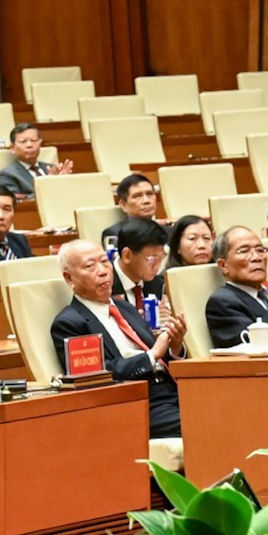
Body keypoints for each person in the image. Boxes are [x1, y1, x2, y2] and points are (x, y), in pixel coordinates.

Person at [50, 241, 184, 441]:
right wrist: (151, 355)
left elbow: (161, 356)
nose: (102, 271)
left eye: (105, 262)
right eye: (90, 266)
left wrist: (175, 347)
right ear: (69, 278)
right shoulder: (69, 323)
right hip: (138, 404)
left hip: (175, 391)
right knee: (209, 419)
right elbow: (95, 377)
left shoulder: (125, 308)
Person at [0, 122, 69, 197]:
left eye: (33, 140)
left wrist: (65, 181)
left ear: (40, 144)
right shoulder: (7, 175)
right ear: (12, 147)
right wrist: (49, 186)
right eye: (23, 141)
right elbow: (13, 200)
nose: (29, 145)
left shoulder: (53, 169)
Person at [109, 216, 170, 307]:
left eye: (161, 257)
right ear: (127, 255)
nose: (157, 266)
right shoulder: (104, 285)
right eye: (151, 258)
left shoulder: (159, 284)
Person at [101, 174, 160, 246]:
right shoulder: (115, 234)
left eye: (150, 194)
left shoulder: (166, 230)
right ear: (124, 205)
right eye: (137, 196)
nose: (146, 201)